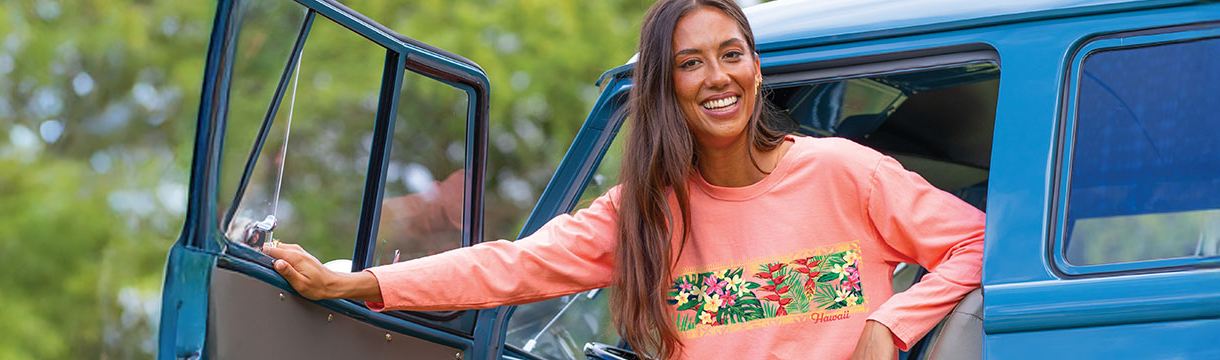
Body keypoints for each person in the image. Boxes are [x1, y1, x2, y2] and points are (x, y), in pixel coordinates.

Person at [257, 0, 985, 358]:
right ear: (668, 88)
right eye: (690, 63)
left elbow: (977, 244)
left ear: (756, 69)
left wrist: (891, 324)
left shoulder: (842, 172)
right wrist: (354, 285)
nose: (717, 77)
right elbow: (512, 267)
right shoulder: (645, 214)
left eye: (731, 54)